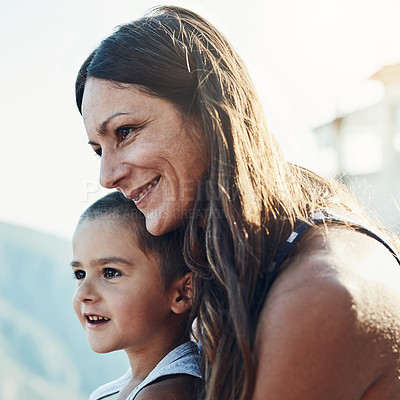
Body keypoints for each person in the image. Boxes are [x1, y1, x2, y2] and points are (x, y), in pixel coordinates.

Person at [74, 6, 400, 400]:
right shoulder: (230, 271)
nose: (107, 176)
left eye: (125, 131)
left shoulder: (317, 296)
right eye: (98, 150)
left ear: (209, 114)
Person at [71, 191, 202, 400]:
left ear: (183, 293)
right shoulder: (117, 390)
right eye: (80, 274)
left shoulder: (165, 393)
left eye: (110, 272)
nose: (82, 293)